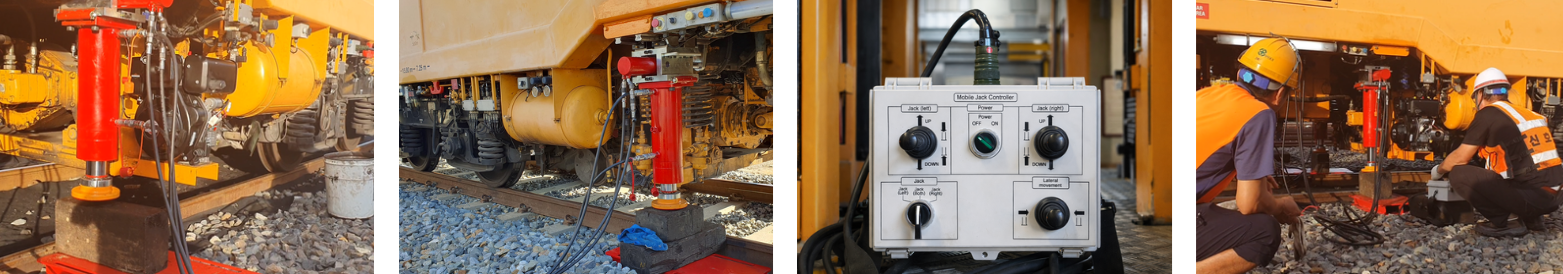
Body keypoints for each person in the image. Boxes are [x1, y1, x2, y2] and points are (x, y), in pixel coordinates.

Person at [1194, 37, 1303, 273]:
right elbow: (1250, 204)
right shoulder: (1260, 113)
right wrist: (1280, 205)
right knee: (1264, 230)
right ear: (1280, 93)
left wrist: (1254, 176)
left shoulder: (1208, 94)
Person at [1431, 67, 1563, 237]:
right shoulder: (1530, 114)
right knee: (1520, 169)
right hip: (1554, 197)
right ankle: (1532, 218)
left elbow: (1460, 157)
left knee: (1458, 173)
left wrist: (1438, 171)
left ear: (1480, 95)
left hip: (1532, 197)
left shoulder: (1488, 114)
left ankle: (1507, 222)